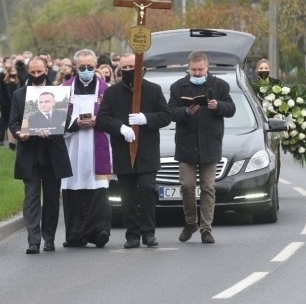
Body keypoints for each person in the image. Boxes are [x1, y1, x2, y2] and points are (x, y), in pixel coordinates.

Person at [96, 53, 171, 248]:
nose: (129, 71)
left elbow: (165, 116)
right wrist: (120, 127)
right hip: (123, 152)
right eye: (125, 68)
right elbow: (103, 119)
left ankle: (148, 233)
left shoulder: (154, 90)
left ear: (141, 68)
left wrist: (147, 119)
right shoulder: (112, 93)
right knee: (127, 196)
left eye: (132, 67)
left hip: (147, 152)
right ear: (119, 70)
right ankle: (132, 235)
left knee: (147, 190)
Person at [168, 51, 235, 244]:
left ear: (208, 67)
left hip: (210, 144)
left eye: (200, 69)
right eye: (193, 70)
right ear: (188, 68)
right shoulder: (177, 87)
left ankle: (206, 228)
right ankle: (191, 222)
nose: (197, 73)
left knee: (208, 187)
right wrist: (186, 112)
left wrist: (219, 106)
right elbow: (170, 111)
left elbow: (231, 109)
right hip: (186, 145)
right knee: (187, 185)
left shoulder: (220, 85)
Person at [8, 57, 72, 255]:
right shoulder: (19, 95)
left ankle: (49, 238)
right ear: (28, 71)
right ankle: (33, 241)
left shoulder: (58, 93)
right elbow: (13, 122)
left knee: (52, 199)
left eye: (39, 71)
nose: (36, 75)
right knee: (31, 199)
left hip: (53, 153)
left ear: (47, 69)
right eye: (32, 72)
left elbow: (66, 120)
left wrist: (52, 131)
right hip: (30, 154)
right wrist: (20, 134)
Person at [60, 49, 113, 248]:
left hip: (96, 146)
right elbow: (56, 119)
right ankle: (75, 235)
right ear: (75, 68)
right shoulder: (64, 90)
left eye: (90, 67)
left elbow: (113, 118)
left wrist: (97, 120)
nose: (86, 71)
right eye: (82, 67)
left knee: (97, 189)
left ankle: (99, 231)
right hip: (72, 146)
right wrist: (74, 124)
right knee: (73, 188)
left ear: (96, 67)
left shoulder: (106, 90)